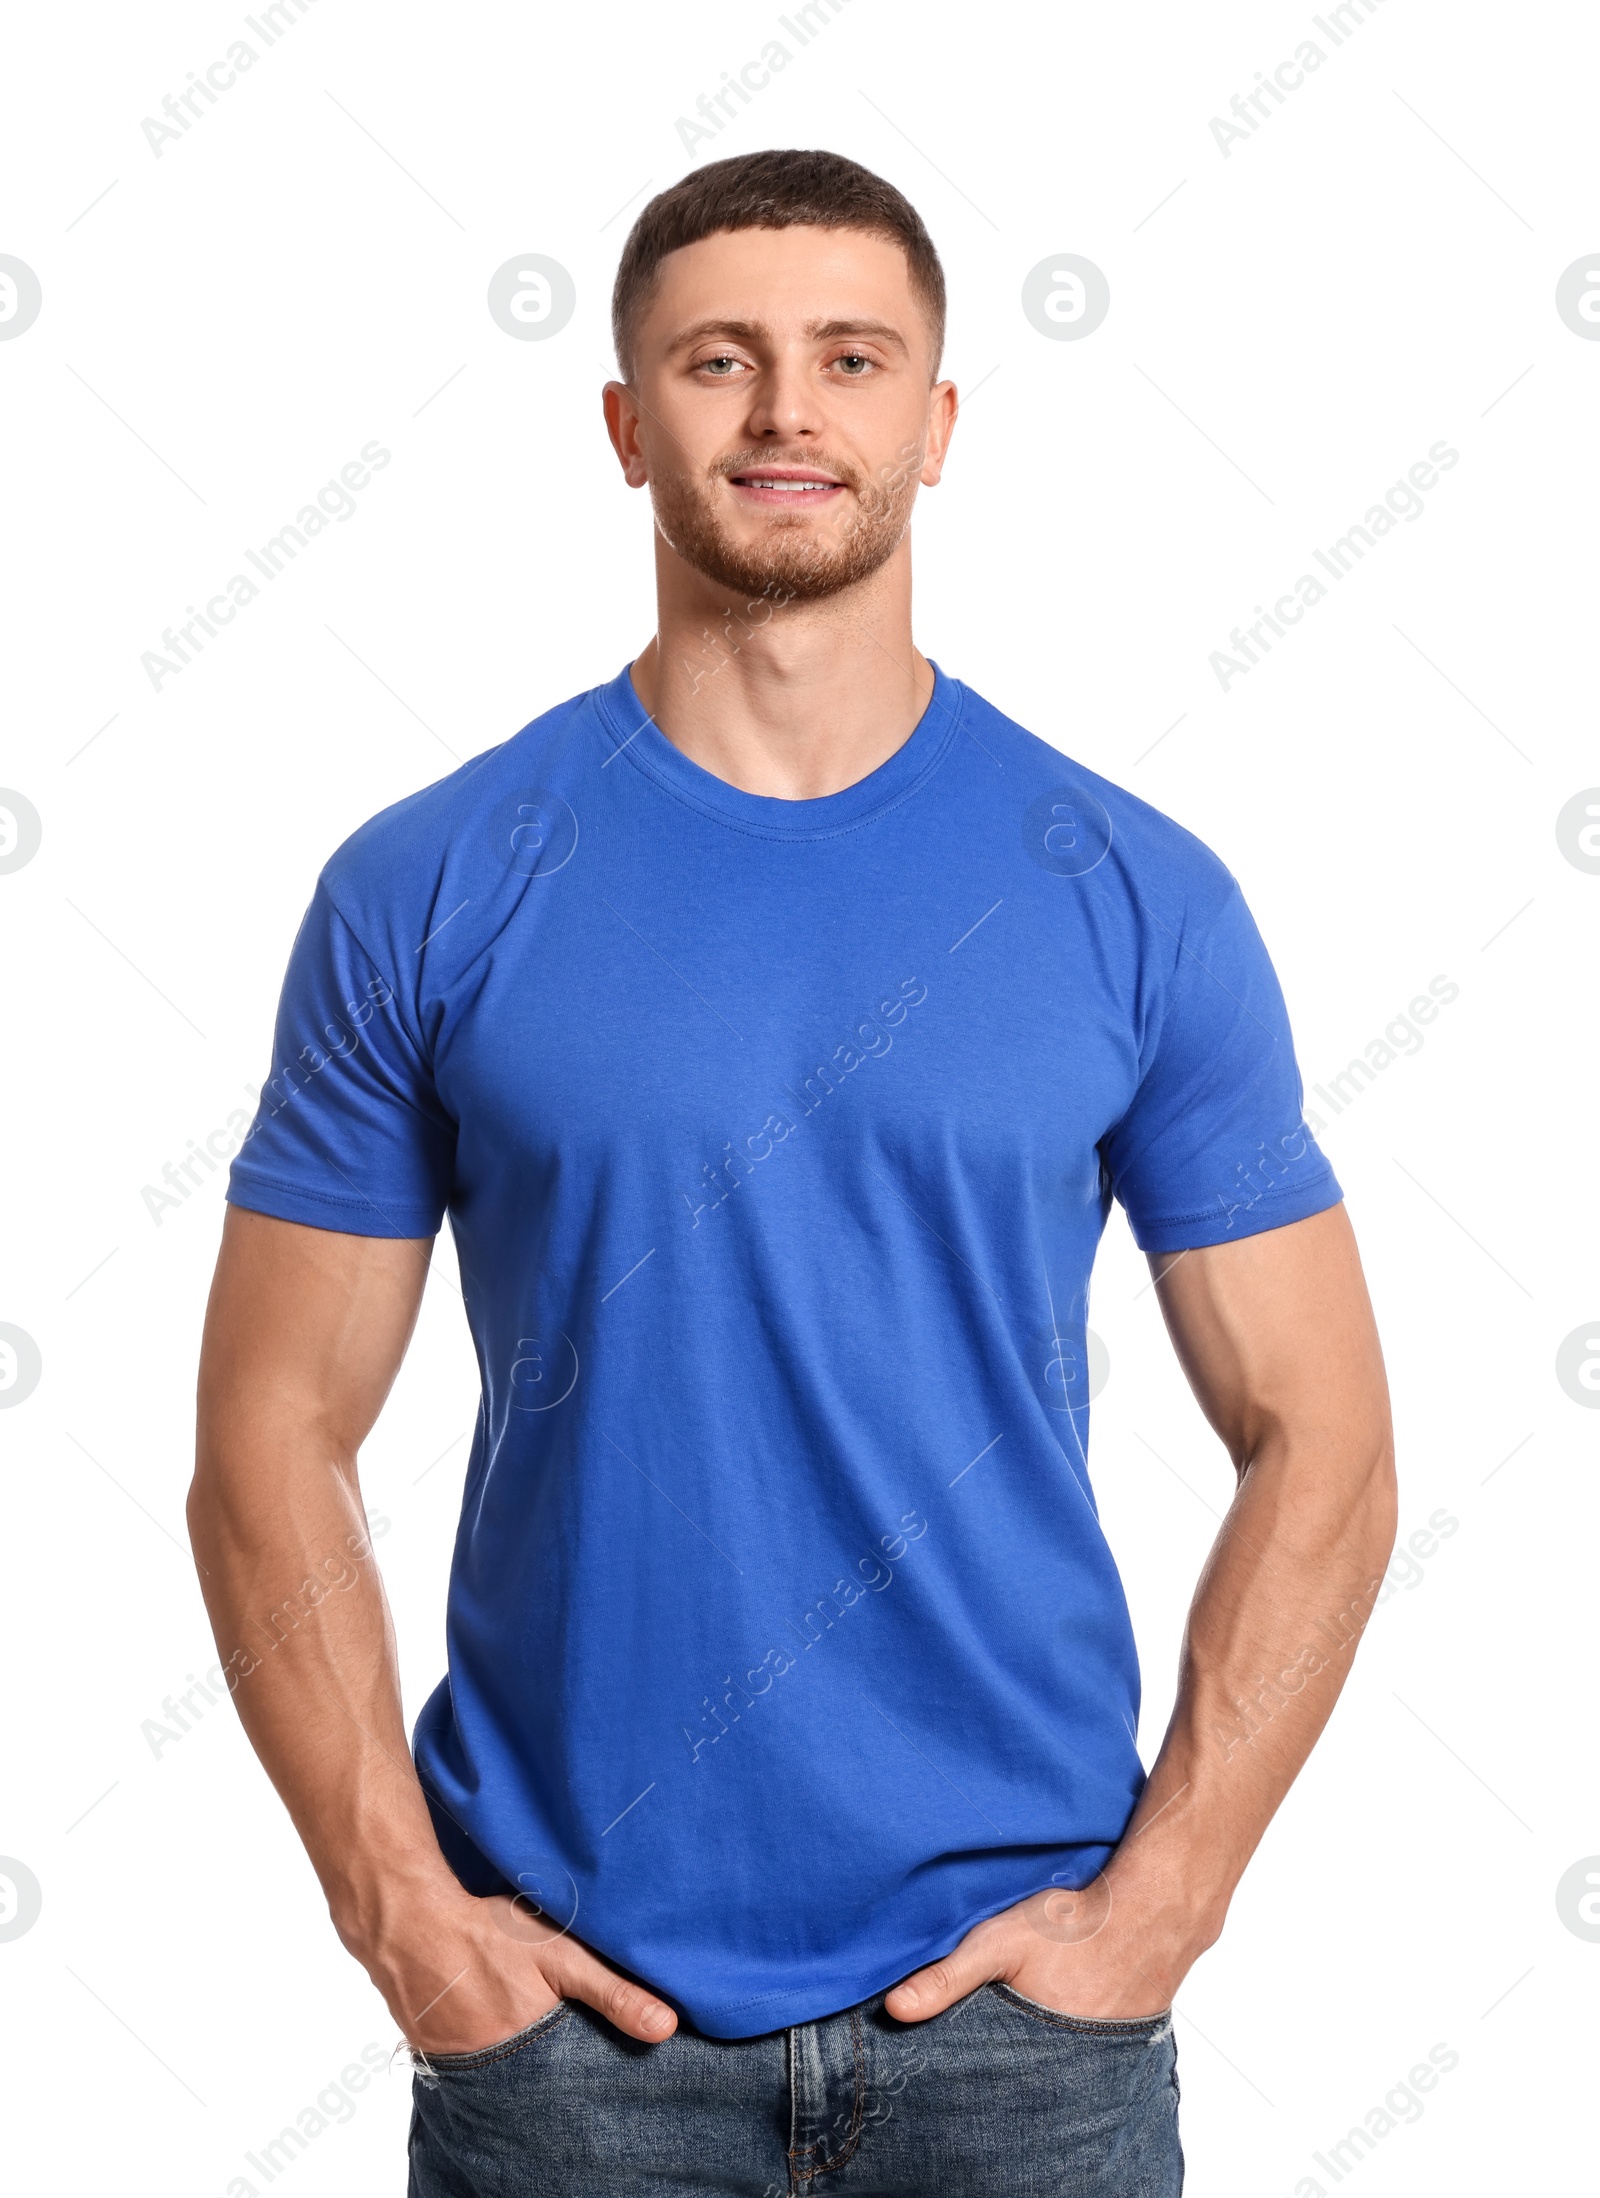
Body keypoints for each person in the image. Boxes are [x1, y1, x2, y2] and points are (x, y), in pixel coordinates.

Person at [189, 149, 1397, 2197]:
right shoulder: (428, 885)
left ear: (933, 428)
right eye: (715, 360)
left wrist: (1160, 1905)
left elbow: (1325, 1439)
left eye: (850, 359)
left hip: (1020, 2041)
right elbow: (266, 1437)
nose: (782, 413)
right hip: (567, 2042)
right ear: (620, 422)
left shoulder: (1126, 896)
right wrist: (401, 1913)